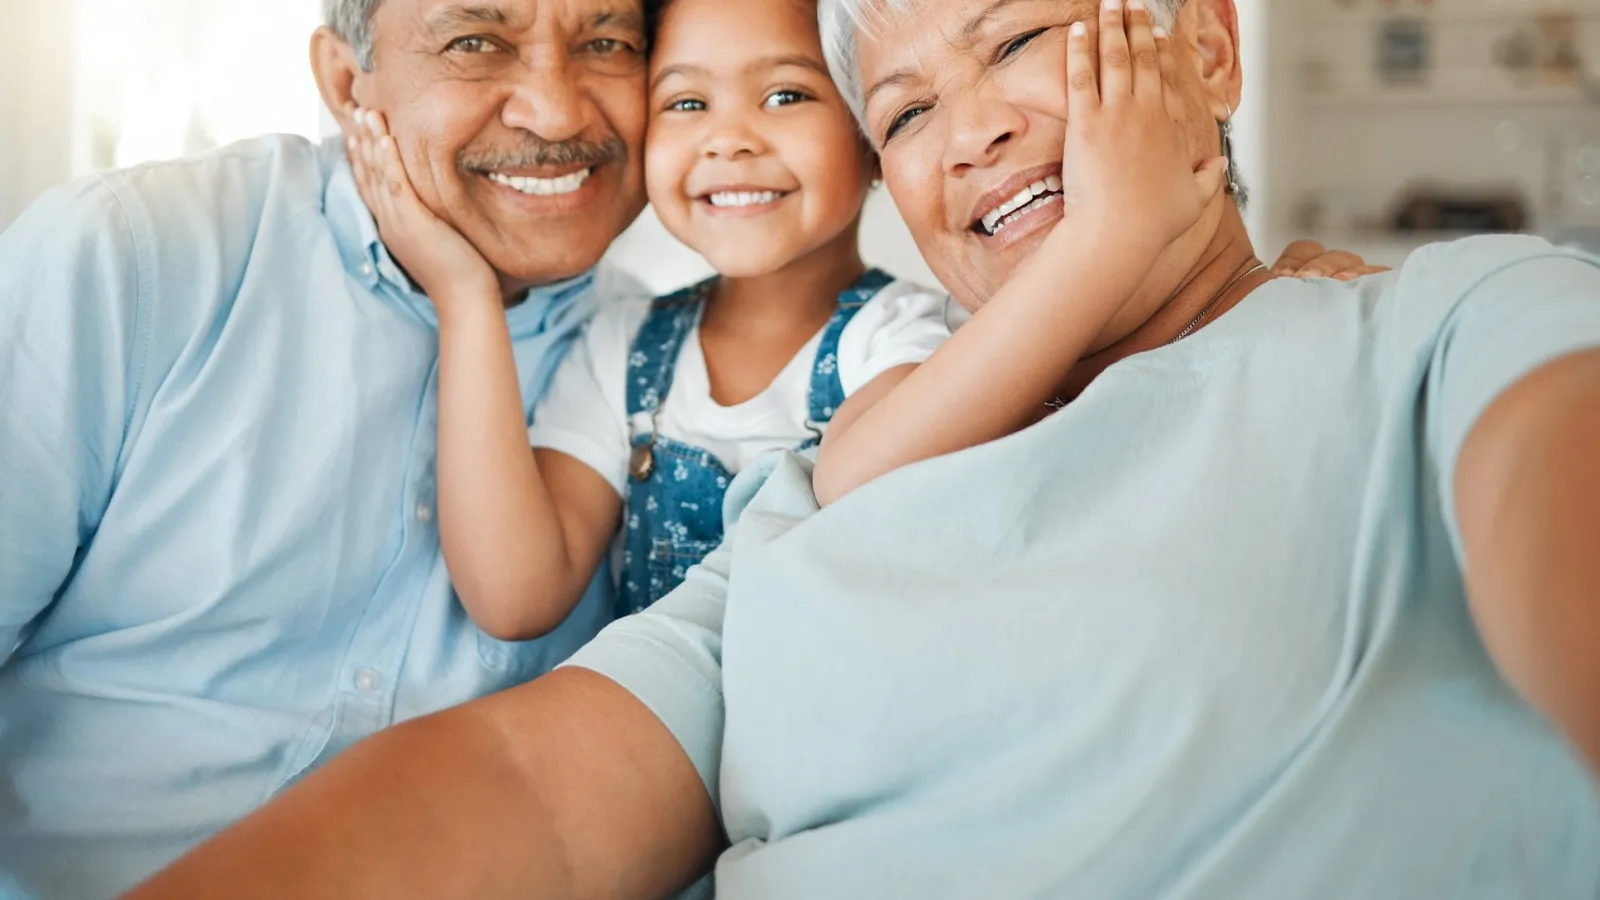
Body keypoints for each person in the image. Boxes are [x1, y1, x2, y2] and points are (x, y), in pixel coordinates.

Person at [126, 0, 1600, 897]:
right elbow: (532, 795)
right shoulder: (811, 487)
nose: (962, 137)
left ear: (1206, 47)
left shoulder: (1437, 326)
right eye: (904, 110)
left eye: (1018, 40)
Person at [0, 0, 655, 894]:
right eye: (476, 42)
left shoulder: (665, 368)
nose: (558, 109)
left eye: (607, 43)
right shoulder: (132, 256)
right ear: (348, 85)